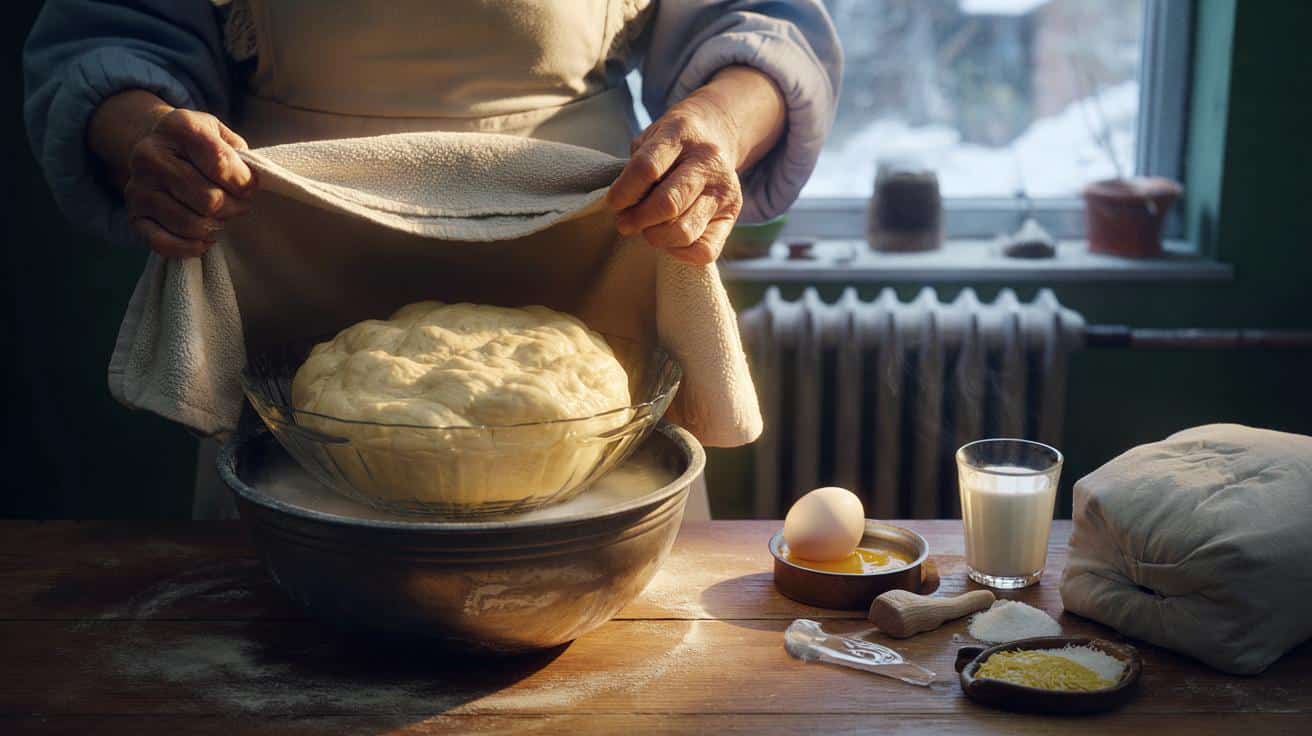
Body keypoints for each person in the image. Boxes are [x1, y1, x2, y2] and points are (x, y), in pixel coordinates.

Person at [24, 0, 842, 517]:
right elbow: (108, 31)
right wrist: (145, 136)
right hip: (288, 282)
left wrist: (716, 127)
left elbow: (761, 21)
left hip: (590, 269)